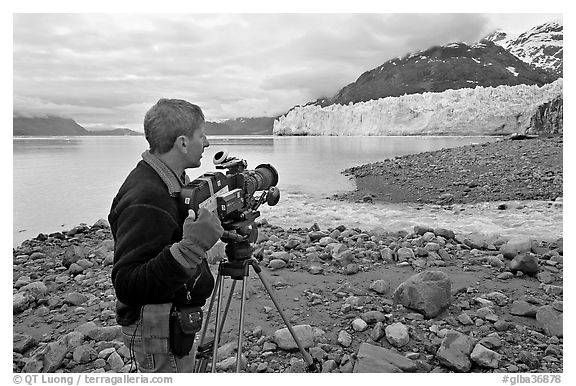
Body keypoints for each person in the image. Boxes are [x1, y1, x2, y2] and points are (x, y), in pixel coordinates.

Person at [108, 98, 224, 372]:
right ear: (183, 143)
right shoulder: (147, 196)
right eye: (201, 135)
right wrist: (192, 248)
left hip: (172, 324)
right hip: (157, 333)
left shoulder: (171, 181)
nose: (206, 143)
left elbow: (167, 239)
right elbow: (127, 284)